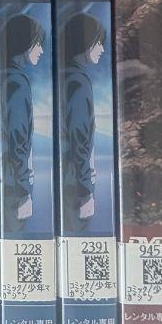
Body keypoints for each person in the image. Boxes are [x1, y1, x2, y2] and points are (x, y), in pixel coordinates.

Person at [61, 12, 105, 232]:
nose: (102, 49)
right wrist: (85, 190)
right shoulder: (78, 82)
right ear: (85, 43)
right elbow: (79, 138)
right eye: (98, 42)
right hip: (74, 185)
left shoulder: (63, 76)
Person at [1, 12, 45, 232]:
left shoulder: (1, 78)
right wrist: (23, 191)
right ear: (25, 44)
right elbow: (17, 140)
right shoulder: (17, 83)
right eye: (38, 43)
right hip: (13, 189)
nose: (41, 50)